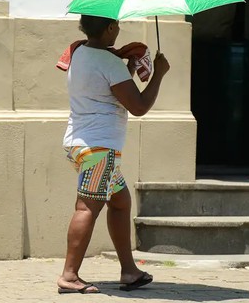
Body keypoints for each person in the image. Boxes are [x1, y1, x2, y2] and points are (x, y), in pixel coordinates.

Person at [57, 15, 170, 294]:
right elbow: (139, 106)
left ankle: (129, 271)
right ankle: (69, 276)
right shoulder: (109, 61)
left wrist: (128, 69)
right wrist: (159, 74)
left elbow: (106, 91)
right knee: (87, 208)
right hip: (100, 148)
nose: (119, 29)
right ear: (109, 28)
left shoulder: (79, 52)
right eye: (117, 25)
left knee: (120, 202)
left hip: (81, 143)